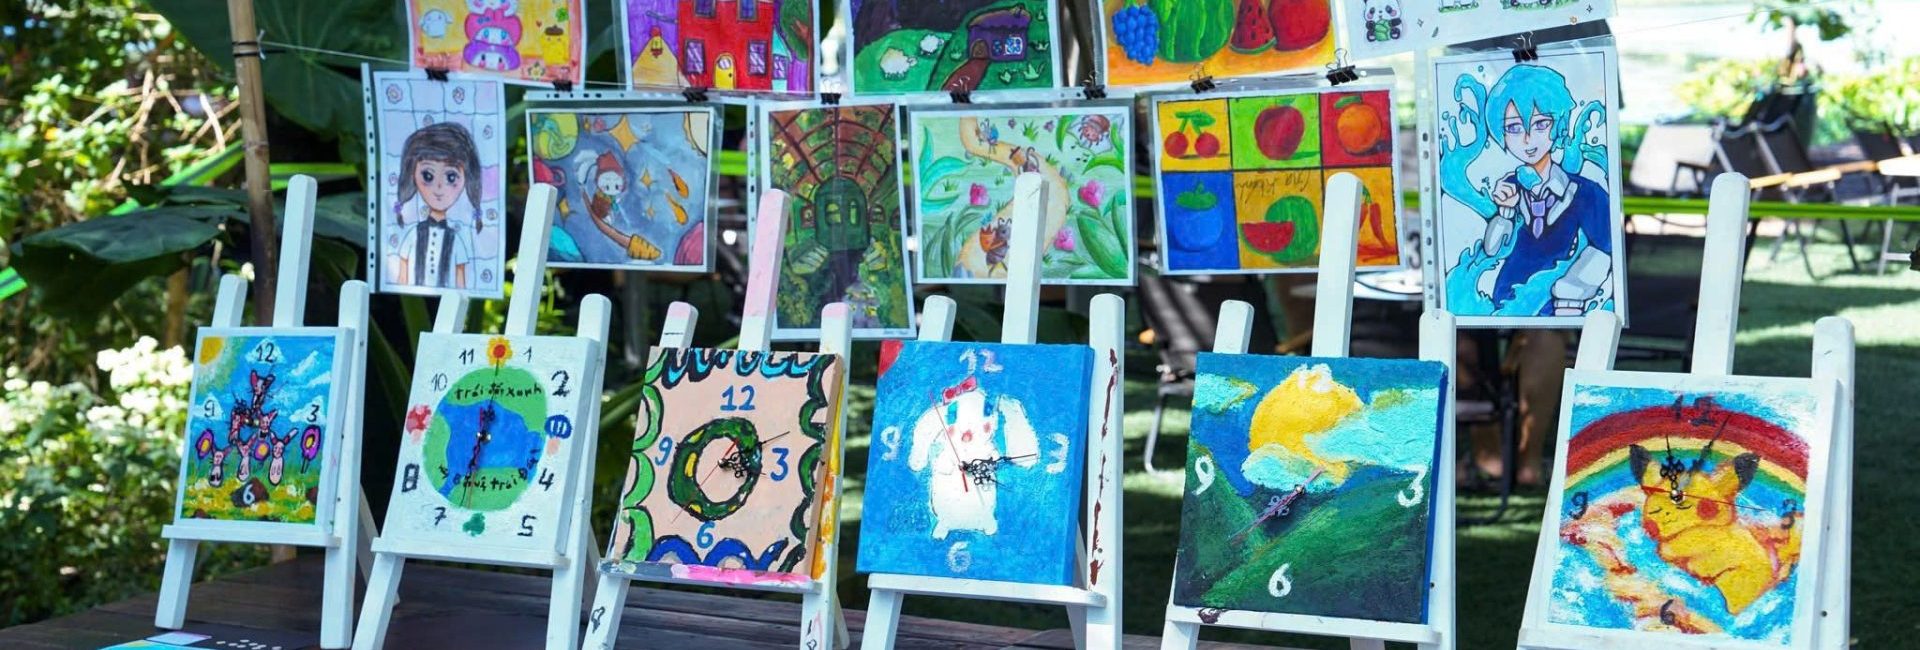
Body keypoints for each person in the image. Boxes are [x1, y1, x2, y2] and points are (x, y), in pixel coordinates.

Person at [1440, 63, 1613, 316]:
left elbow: (1607, 247)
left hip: (1562, 308)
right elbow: (1492, 249)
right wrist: (1505, 213)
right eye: (1514, 128)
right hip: (1505, 304)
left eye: (1541, 124)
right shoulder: (1510, 187)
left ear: (1559, 125)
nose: (1528, 139)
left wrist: (1572, 292)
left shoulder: (1586, 193)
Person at [389, 122, 482, 290]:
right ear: (413, 176)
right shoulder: (412, 235)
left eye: (451, 177)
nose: (439, 187)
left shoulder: (456, 240)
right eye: (428, 175)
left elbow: (461, 282)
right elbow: (402, 275)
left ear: (466, 180)